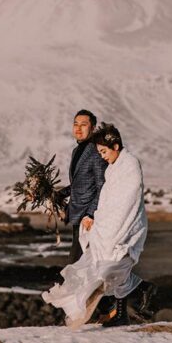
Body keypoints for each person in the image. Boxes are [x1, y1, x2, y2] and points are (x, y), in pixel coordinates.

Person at [43, 123, 154, 328]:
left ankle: (141, 290)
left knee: (112, 268)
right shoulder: (113, 169)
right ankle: (124, 312)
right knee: (113, 270)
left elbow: (129, 199)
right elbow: (106, 199)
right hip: (110, 223)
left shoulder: (130, 165)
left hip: (126, 224)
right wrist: (95, 217)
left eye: (104, 151)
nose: (102, 156)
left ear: (116, 147)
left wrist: (112, 225)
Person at [62, 109, 107, 264]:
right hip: (76, 217)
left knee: (79, 264)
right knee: (81, 264)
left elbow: (102, 186)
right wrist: (59, 194)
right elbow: (79, 184)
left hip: (89, 220)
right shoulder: (76, 151)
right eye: (75, 124)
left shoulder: (96, 151)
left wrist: (91, 214)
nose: (78, 128)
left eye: (83, 124)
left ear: (92, 128)